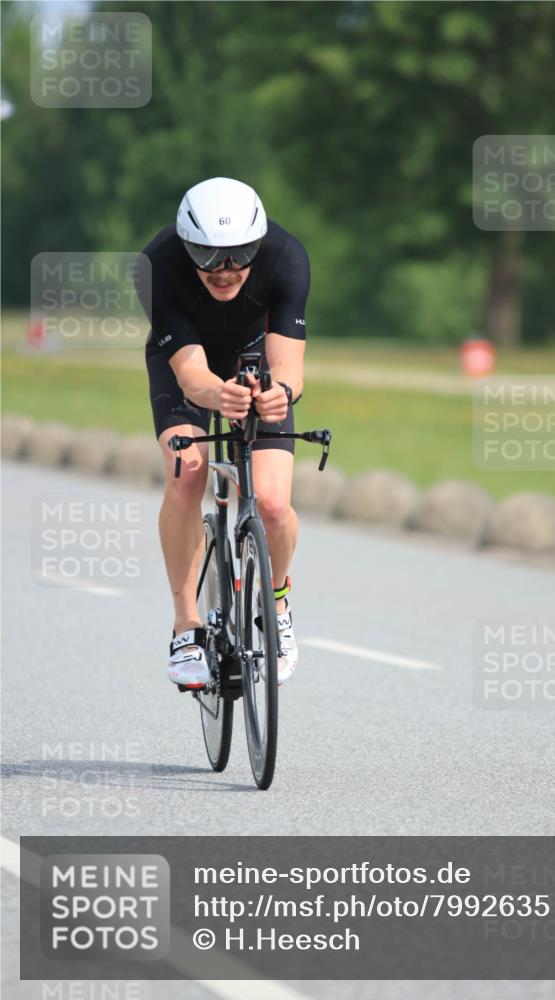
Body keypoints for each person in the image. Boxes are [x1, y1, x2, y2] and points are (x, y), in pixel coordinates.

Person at [135, 177, 309, 689]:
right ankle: (186, 625)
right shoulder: (157, 265)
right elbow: (192, 377)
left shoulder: (287, 257)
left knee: (274, 505)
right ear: (186, 245)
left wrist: (281, 394)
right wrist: (217, 395)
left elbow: (291, 369)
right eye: (207, 256)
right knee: (187, 472)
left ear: (259, 243)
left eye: (239, 255)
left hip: (255, 361)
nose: (225, 270)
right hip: (184, 363)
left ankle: (275, 604)